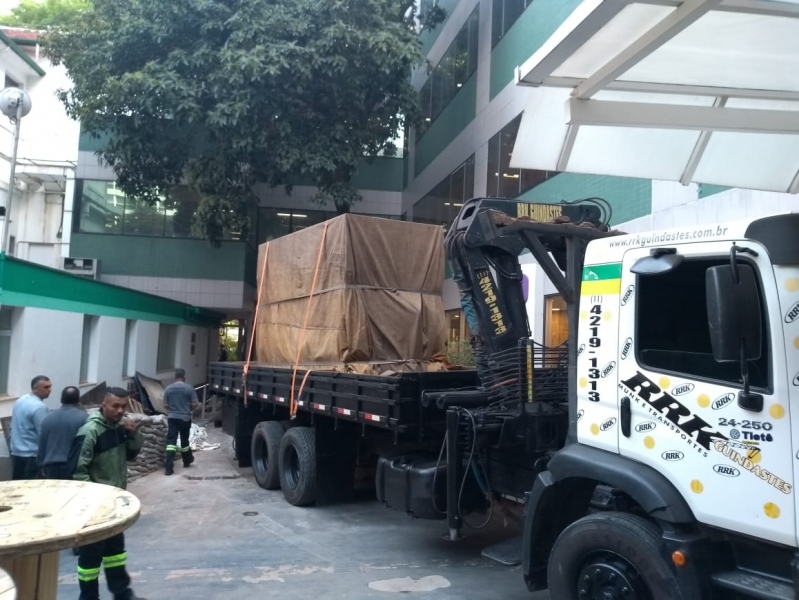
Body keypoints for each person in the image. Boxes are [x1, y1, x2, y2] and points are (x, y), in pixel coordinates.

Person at [73, 387, 146, 600]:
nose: (120, 411)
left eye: (124, 406)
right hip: (94, 508)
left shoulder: (120, 427)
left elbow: (132, 455)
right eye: (115, 406)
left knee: (116, 553)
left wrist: (133, 434)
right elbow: (78, 471)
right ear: (103, 405)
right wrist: (94, 501)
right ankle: (88, 598)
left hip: (115, 503)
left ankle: (122, 593)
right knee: (90, 559)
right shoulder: (90, 431)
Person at [38, 386, 88, 479]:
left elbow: (42, 443)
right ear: (78, 400)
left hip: (50, 465)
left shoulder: (48, 417)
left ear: (61, 399)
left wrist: (41, 464)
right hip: (72, 466)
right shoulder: (84, 418)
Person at [9, 375, 52, 479]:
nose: (49, 390)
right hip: (32, 455)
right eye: (45, 387)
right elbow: (43, 434)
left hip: (16, 452)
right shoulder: (40, 407)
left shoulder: (21, 400)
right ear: (35, 389)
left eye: (50, 386)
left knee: (17, 485)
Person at [162, 368, 199, 476]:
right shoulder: (189, 388)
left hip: (172, 418)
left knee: (171, 442)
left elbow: (165, 405)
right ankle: (187, 460)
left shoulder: (168, 389)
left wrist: (172, 408)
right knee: (184, 441)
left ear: (175, 377)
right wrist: (189, 408)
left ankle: (168, 467)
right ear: (184, 377)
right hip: (185, 418)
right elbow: (195, 403)